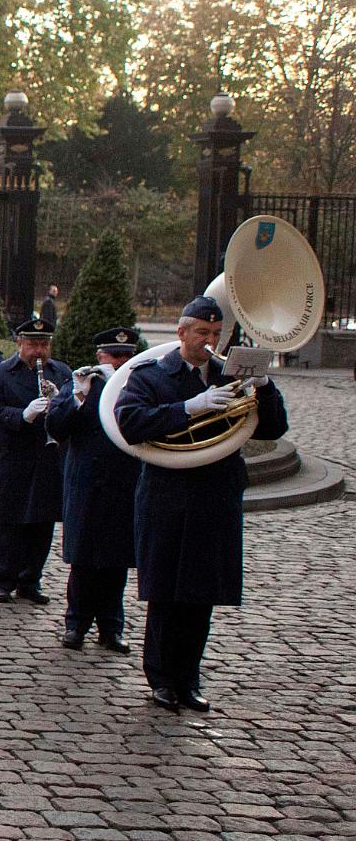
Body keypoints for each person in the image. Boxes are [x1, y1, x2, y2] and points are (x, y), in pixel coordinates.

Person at [115, 295, 287, 713]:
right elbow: (131, 423)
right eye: (201, 333)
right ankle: (161, 678)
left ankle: (188, 678)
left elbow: (274, 428)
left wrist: (263, 388)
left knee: (201, 593)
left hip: (215, 495)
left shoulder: (231, 377)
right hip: (168, 496)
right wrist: (188, 408)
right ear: (182, 333)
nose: (209, 341)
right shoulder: (150, 375)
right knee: (167, 594)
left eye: (215, 333)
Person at [47, 327, 143, 652]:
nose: (119, 362)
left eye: (125, 356)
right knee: (84, 561)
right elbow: (56, 427)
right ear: (100, 356)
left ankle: (111, 627)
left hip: (124, 481)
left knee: (117, 562)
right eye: (113, 355)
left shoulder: (139, 384)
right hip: (87, 480)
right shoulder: (83, 383)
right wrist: (76, 397)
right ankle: (76, 624)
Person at [0, 317, 70, 604]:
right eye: (32, 344)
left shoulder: (61, 372)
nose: (38, 351)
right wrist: (22, 415)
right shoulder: (0, 373)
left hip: (46, 458)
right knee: (10, 520)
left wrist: (60, 403)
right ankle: (4, 578)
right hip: (13, 456)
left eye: (44, 344)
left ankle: (31, 579)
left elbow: (71, 412)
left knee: (42, 522)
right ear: (19, 343)